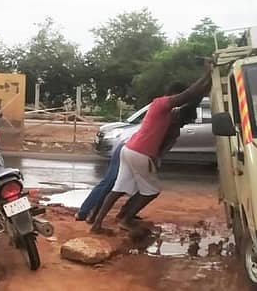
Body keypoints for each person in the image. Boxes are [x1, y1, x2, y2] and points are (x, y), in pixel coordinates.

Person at [91, 62, 213, 233]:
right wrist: (208, 74)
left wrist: (209, 81)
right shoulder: (161, 104)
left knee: (118, 188)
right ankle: (125, 219)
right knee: (152, 191)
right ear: (173, 95)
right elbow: (189, 95)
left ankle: (97, 224)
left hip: (129, 150)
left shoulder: (168, 115)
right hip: (140, 152)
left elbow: (192, 101)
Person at [77, 83, 190, 223]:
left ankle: (124, 213)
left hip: (138, 152)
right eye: (185, 121)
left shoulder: (173, 129)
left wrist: (155, 160)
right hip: (129, 148)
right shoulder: (165, 113)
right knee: (111, 183)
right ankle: (86, 213)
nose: (184, 125)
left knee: (131, 186)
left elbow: (161, 149)